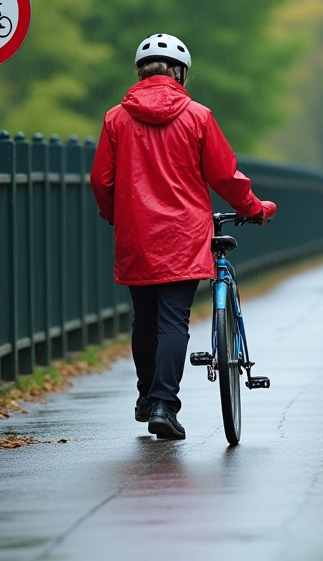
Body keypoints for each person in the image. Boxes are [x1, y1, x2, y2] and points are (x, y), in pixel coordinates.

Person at [90, 33, 277, 440]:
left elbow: (100, 181)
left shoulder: (115, 119)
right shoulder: (198, 117)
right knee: (174, 320)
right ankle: (163, 404)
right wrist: (253, 208)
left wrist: (114, 215)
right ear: (180, 73)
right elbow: (225, 175)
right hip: (183, 236)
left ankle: (146, 397)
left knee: (144, 319)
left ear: (140, 73)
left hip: (136, 235)